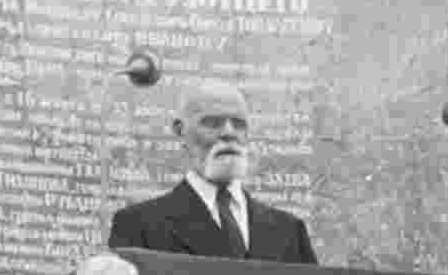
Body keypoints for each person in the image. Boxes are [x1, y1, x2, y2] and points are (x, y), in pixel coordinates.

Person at [107, 79, 318, 263]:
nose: (229, 133)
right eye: (212, 123)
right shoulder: (139, 226)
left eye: (238, 124)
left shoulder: (289, 231)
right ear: (180, 131)